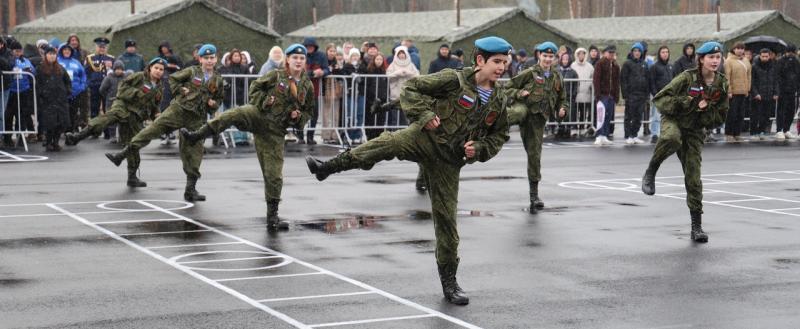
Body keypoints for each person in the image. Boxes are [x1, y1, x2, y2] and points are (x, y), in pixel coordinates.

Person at [305, 37, 512, 305]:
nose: (501, 68)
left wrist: (480, 148)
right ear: (480, 60)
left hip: (449, 160)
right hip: (423, 139)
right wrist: (425, 117)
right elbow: (411, 89)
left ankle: (450, 282)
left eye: (505, 63)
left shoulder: (499, 100)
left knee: (447, 223)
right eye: (497, 62)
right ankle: (329, 167)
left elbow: (499, 136)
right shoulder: (454, 79)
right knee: (386, 143)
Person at [180, 44, 314, 230]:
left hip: (275, 131)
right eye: (295, 58)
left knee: (273, 174)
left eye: (302, 58)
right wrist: (265, 101)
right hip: (258, 114)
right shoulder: (276, 75)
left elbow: (308, 111)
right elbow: (255, 87)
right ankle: (197, 135)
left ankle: (272, 216)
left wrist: (298, 118)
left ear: (304, 61)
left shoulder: (307, 85)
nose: (298, 61)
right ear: (288, 59)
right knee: (232, 114)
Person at [105, 45, 223, 202]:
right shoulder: (192, 71)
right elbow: (173, 79)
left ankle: (190, 189)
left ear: (216, 59)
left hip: (196, 118)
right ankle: (121, 155)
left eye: (212, 58)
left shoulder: (218, 80)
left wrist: (213, 104)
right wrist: (181, 90)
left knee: (194, 152)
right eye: (206, 58)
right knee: (150, 131)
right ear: (200, 59)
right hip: (178, 110)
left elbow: (219, 99)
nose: (209, 61)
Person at [641, 41, 729, 243]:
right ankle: (652, 169)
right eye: (711, 57)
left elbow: (721, 115)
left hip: (695, 130)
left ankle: (696, 227)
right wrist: (687, 102)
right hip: (675, 120)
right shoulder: (686, 77)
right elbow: (661, 100)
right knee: (672, 138)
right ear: (701, 59)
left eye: (718, 57)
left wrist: (704, 111)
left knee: (694, 177)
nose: (715, 61)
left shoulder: (721, 83)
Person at [67, 58, 165, 187]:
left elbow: (155, 106)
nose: (158, 71)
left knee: (135, 144)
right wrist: (137, 93)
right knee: (105, 119)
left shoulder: (159, 88)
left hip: (136, 116)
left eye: (161, 69)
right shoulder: (139, 77)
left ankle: (132, 177)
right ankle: (77, 136)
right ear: (150, 68)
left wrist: (157, 115)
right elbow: (122, 88)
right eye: (156, 68)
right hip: (123, 106)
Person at [506, 41, 567, 214]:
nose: (547, 59)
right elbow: (507, 87)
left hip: (537, 121)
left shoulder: (557, 77)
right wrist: (519, 93)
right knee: (517, 114)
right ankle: (495, 126)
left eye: (550, 56)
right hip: (523, 108)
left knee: (534, 155)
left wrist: (563, 109)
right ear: (539, 56)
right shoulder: (529, 73)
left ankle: (534, 195)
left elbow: (563, 98)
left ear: (554, 58)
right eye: (544, 55)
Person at [35, 45, 72, 151]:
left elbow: (67, 81)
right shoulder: (40, 68)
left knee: (61, 122)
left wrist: (67, 91)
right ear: (45, 55)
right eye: (50, 54)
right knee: (50, 123)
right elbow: (37, 84)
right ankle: (48, 142)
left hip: (61, 100)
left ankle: (56, 142)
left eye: (54, 54)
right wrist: (42, 94)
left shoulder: (60, 68)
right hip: (48, 100)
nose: (52, 56)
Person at [3, 40, 36, 147]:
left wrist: (29, 70)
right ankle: (7, 138)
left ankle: (20, 136)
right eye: (16, 51)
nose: (18, 53)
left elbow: (32, 70)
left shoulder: (25, 60)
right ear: (12, 51)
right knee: (8, 115)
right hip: (11, 91)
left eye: (19, 51)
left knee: (21, 115)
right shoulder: (10, 60)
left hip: (23, 91)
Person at [85, 37, 115, 139]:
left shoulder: (111, 58)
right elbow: (86, 73)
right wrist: (89, 83)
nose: (102, 49)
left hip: (107, 88)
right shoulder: (90, 58)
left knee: (107, 110)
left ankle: (107, 132)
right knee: (94, 110)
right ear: (96, 47)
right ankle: (94, 131)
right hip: (95, 87)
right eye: (100, 47)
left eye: (104, 47)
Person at [722, 42, 751, 143]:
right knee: (732, 114)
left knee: (740, 114)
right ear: (733, 49)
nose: (740, 50)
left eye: (742, 48)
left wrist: (748, 89)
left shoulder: (746, 60)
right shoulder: (729, 61)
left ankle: (737, 133)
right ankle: (729, 133)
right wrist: (729, 91)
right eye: (738, 48)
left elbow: (749, 75)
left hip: (743, 91)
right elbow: (727, 77)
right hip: (733, 92)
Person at [621, 42, 649, 144]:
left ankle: (634, 135)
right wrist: (625, 95)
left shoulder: (644, 64)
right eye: (635, 51)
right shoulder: (627, 63)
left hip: (641, 95)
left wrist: (646, 94)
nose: (637, 53)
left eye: (639, 51)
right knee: (629, 116)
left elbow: (647, 79)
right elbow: (623, 80)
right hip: (631, 94)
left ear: (641, 53)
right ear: (632, 52)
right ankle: (628, 136)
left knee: (638, 116)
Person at [56, 43, 87, 134]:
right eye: (65, 50)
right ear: (61, 51)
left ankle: (71, 131)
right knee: (62, 113)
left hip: (75, 92)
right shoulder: (57, 61)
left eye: (68, 50)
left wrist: (82, 87)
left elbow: (83, 76)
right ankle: (62, 130)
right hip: (61, 93)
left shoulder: (76, 62)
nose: (67, 51)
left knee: (73, 112)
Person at [593, 45, 620, 145]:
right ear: (605, 53)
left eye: (613, 53)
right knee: (601, 116)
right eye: (609, 53)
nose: (611, 55)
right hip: (602, 95)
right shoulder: (600, 63)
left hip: (611, 95)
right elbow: (596, 80)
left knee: (608, 116)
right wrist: (598, 94)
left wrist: (616, 96)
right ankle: (599, 135)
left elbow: (617, 82)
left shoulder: (616, 66)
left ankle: (604, 135)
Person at [97, 60, 129, 143]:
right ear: (114, 69)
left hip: (123, 102)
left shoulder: (126, 78)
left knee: (123, 119)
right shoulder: (109, 78)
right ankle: (112, 136)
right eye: (117, 69)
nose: (119, 71)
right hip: (111, 102)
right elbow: (102, 89)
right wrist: (108, 97)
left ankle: (122, 136)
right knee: (111, 119)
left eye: (120, 69)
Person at [648, 45, 674, 144]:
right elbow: (652, 81)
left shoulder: (670, 66)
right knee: (656, 116)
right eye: (663, 52)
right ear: (659, 54)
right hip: (658, 95)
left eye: (667, 52)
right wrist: (655, 94)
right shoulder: (654, 67)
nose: (665, 54)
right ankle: (655, 135)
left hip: (669, 96)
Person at [750, 48, 778, 140]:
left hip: (769, 94)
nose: (765, 58)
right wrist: (755, 93)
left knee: (766, 115)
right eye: (763, 56)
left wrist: (776, 92)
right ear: (760, 56)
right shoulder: (754, 66)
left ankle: (762, 131)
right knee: (755, 115)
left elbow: (775, 81)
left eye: (766, 56)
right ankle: (753, 133)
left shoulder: (773, 66)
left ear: (769, 56)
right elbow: (752, 82)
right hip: (758, 95)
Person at [774, 44, 799, 140]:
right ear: (786, 52)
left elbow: (798, 75)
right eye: (789, 52)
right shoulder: (780, 61)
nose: (791, 54)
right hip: (782, 90)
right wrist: (778, 89)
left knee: (791, 110)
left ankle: (786, 129)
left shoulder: (796, 61)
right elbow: (777, 76)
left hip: (792, 90)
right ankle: (779, 130)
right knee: (781, 110)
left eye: (793, 52)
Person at [571, 47, 594, 136]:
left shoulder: (590, 66)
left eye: (583, 54)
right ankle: (574, 128)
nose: (581, 55)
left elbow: (592, 78)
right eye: (579, 54)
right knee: (574, 112)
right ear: (576, 55)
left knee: (583, 112)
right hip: (575, 94)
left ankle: (582, 128)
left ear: (585, 55)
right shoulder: (573, 65)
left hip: (586, 94)